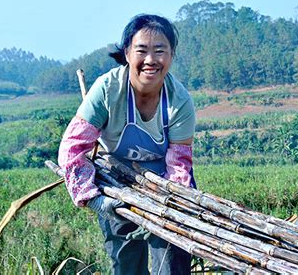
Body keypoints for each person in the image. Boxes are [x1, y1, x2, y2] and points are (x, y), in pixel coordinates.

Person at [58, 14, 196, 275]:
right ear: (127, 53)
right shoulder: (107, 90)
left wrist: (167, 210)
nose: (151, 60)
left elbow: (179, 165)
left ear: (171, 55)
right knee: (126, 265)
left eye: (160, 51)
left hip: (165, 186)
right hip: (117, 183)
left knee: (172, 261)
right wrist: (94, 199)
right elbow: (74, 148)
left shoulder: (180, 102)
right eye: (142, 50)